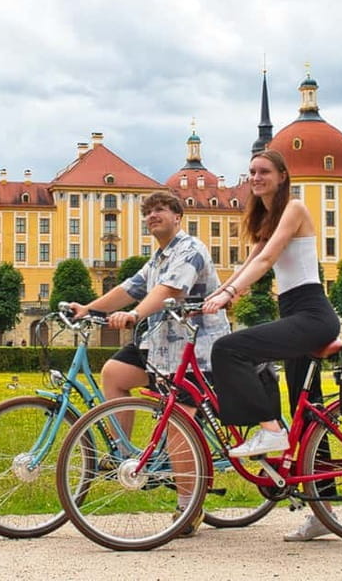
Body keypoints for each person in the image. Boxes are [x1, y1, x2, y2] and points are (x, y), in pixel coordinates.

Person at [69, 191, 230, 536]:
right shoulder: (156, 258)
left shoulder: (190, 250)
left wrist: (133, 315)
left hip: (195, 351)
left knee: (178, 424)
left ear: (177, 217)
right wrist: (90, 308)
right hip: (159, 347)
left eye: (160, 210)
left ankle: (188, 507)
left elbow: (168, 292)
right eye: (148, 212)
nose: (152, 216)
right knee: (114, 373)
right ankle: (123, 456)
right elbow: (129, 288)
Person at [203, 149, 341, 541]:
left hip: (312, 314)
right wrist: (213, 297)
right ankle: (323, 510)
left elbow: (267, 260)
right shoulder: (263, 216)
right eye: (251, 172)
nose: (256, 177)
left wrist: (228, 295)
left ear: (282, 176)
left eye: (264, 171)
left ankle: (269, 429)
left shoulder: (294, 208)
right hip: (294, 314)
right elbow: (248, 263)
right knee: (311, 418)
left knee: (230, 350)